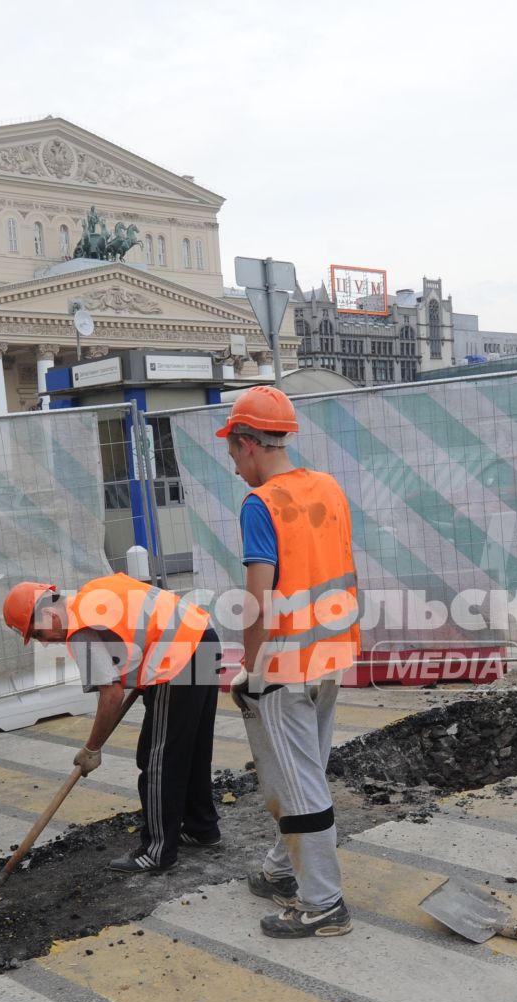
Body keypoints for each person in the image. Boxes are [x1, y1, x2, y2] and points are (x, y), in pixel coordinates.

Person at [219, 385, 361, 939]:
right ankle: (282, 869)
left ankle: (323, 903)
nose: (234, 468)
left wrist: (250, 668)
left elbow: (259, 596)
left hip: (285, 664)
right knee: (307, 770)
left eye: (233, 454)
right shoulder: (326, 486)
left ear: (249, 442)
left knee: (300, 783)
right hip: (331, 653)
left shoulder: (261, 504)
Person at [2, 573, 222, 874]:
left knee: (157, 760)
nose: (43, 643)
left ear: (50, 615)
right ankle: (201, 827)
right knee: (192, 748)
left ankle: (157, 851)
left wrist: (92, 747)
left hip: (179, 659)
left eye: (37, 635)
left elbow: (111, 695)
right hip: (204, 637)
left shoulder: (80, 630)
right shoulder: (94, 592)